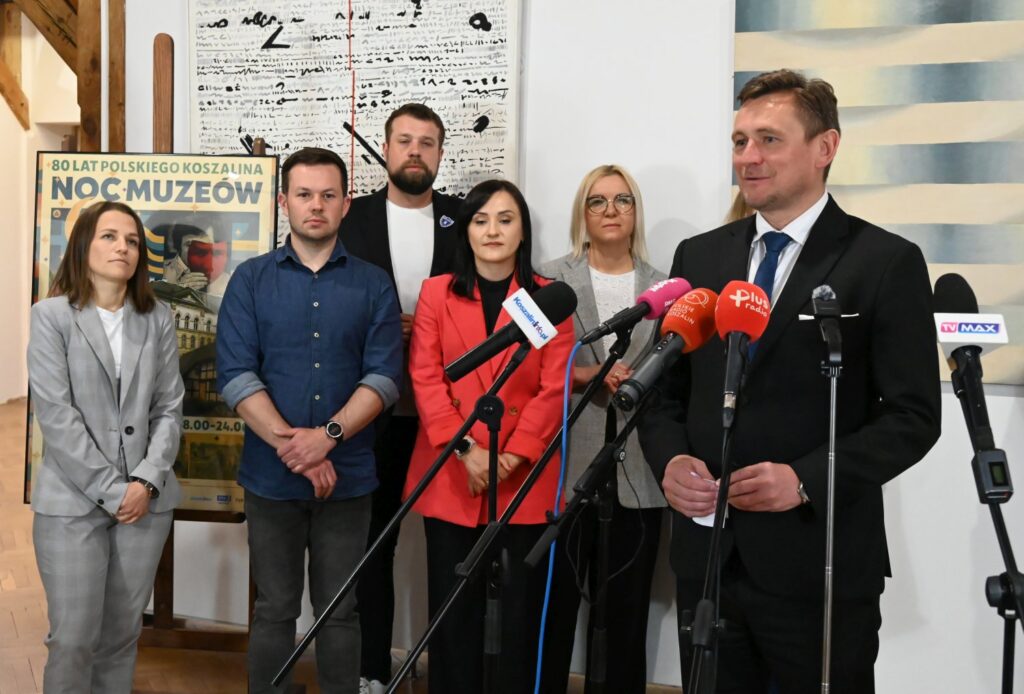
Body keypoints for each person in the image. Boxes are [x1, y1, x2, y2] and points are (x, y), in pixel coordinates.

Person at [639, 69, 941, 693]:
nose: (747, 157)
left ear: (825, 147)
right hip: (708, 560)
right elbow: (662, 391)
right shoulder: (700, 256)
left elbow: (912, 417)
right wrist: (669, 461)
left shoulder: (885, 262)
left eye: (769, 140)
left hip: (818, 563)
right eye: (739, 141)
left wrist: (805, 480)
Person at [216, 147, 403, 693]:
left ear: (346, 204)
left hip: (348, 480)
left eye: (327, 195)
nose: (315, 205)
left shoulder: (374, 284)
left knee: (339, 611)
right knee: (274, 608)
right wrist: (296, 449)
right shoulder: (250, 280)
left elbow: (384, 378)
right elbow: (236, 376)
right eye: (304, 194)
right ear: (284, 202)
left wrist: (328, 439)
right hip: (270, 479)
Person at [404, 179, 573, 694]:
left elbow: (553, 388)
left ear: (523, 232)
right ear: (466, 231)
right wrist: (467, 450)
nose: (493, 230)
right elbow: (426, 377)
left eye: (505, 219)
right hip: (453, 471)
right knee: (452, 613)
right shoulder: (436, 293)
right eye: (480, 220)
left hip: (523, 477)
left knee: (520, 613)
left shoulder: (548, 299)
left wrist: (509, 456)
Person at [28, 200, 184, 693]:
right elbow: (57, 416)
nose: (123, 248)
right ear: (83, 246)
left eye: (132, 241)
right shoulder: (50, 317)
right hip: (71, 503)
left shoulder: (157, 318)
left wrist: (145, 482)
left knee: (120, 636)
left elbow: (169, 409)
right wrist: (114, 492)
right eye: (110, 237)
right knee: (73, 639)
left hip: (145, 503)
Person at [338, 102, 461, 693]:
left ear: (440, 154)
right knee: (374, 543)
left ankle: (452, 671)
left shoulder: (464, 218)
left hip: (450, 410)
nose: (415, 151)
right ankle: (371, 671)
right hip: (372, 409)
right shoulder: (351, 216)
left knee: (451, 543)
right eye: (405, 140)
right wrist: (390, 324)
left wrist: (433, 327)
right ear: (386, 149)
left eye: (427, 142)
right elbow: (332, 296)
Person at [538, 164, 667, 693]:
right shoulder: (546, 280)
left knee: (625, 616)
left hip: (640, 475)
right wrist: (586, 375)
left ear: (636, 212)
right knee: (552, 613)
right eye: (597, 201)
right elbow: (524, 369)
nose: (611, 211)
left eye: (622, 200)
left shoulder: (666, 288)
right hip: (564, 471)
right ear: (582, 214)